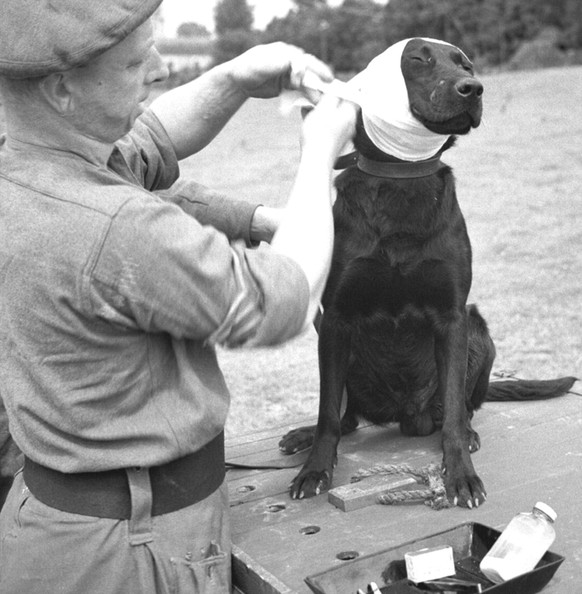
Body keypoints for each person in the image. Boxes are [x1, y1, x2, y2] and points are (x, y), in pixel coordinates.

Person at [0, 1, 357, 593]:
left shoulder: (30, 168)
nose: (161, 69)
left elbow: (151, 138)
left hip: (67, 530)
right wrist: (319, 154)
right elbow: (281, 299)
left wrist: (232, 77)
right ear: (62, 88)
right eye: (136, 61)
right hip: (127, 552)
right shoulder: (111, 227)